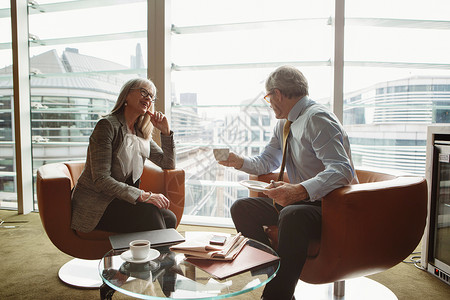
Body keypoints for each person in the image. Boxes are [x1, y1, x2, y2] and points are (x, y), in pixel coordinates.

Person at [219, 65, 358, 300]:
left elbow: (342, 170)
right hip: (301, 204)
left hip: (332, 207)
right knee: (241, 209)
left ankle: (276, 296)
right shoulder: (283, 124)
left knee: (292, 215)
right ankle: (272, 272)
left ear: (277, 94)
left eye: (268, 98)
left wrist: (299, 191)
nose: (269, 103)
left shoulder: (318, 119)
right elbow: (266, 161)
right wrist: (237, 161)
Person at [71, 78, 177, 233]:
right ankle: (160, 257)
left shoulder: (140, 132)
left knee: (170, 218)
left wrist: (165, 132)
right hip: (98, 204)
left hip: (123, 201)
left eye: (151, 96)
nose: (148, 98)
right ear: (127, 95)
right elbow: (101, 180)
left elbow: (168, 163)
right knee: (150, 214)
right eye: (143, 92)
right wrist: (144, 196)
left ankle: (145, 257)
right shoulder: (107, 126)